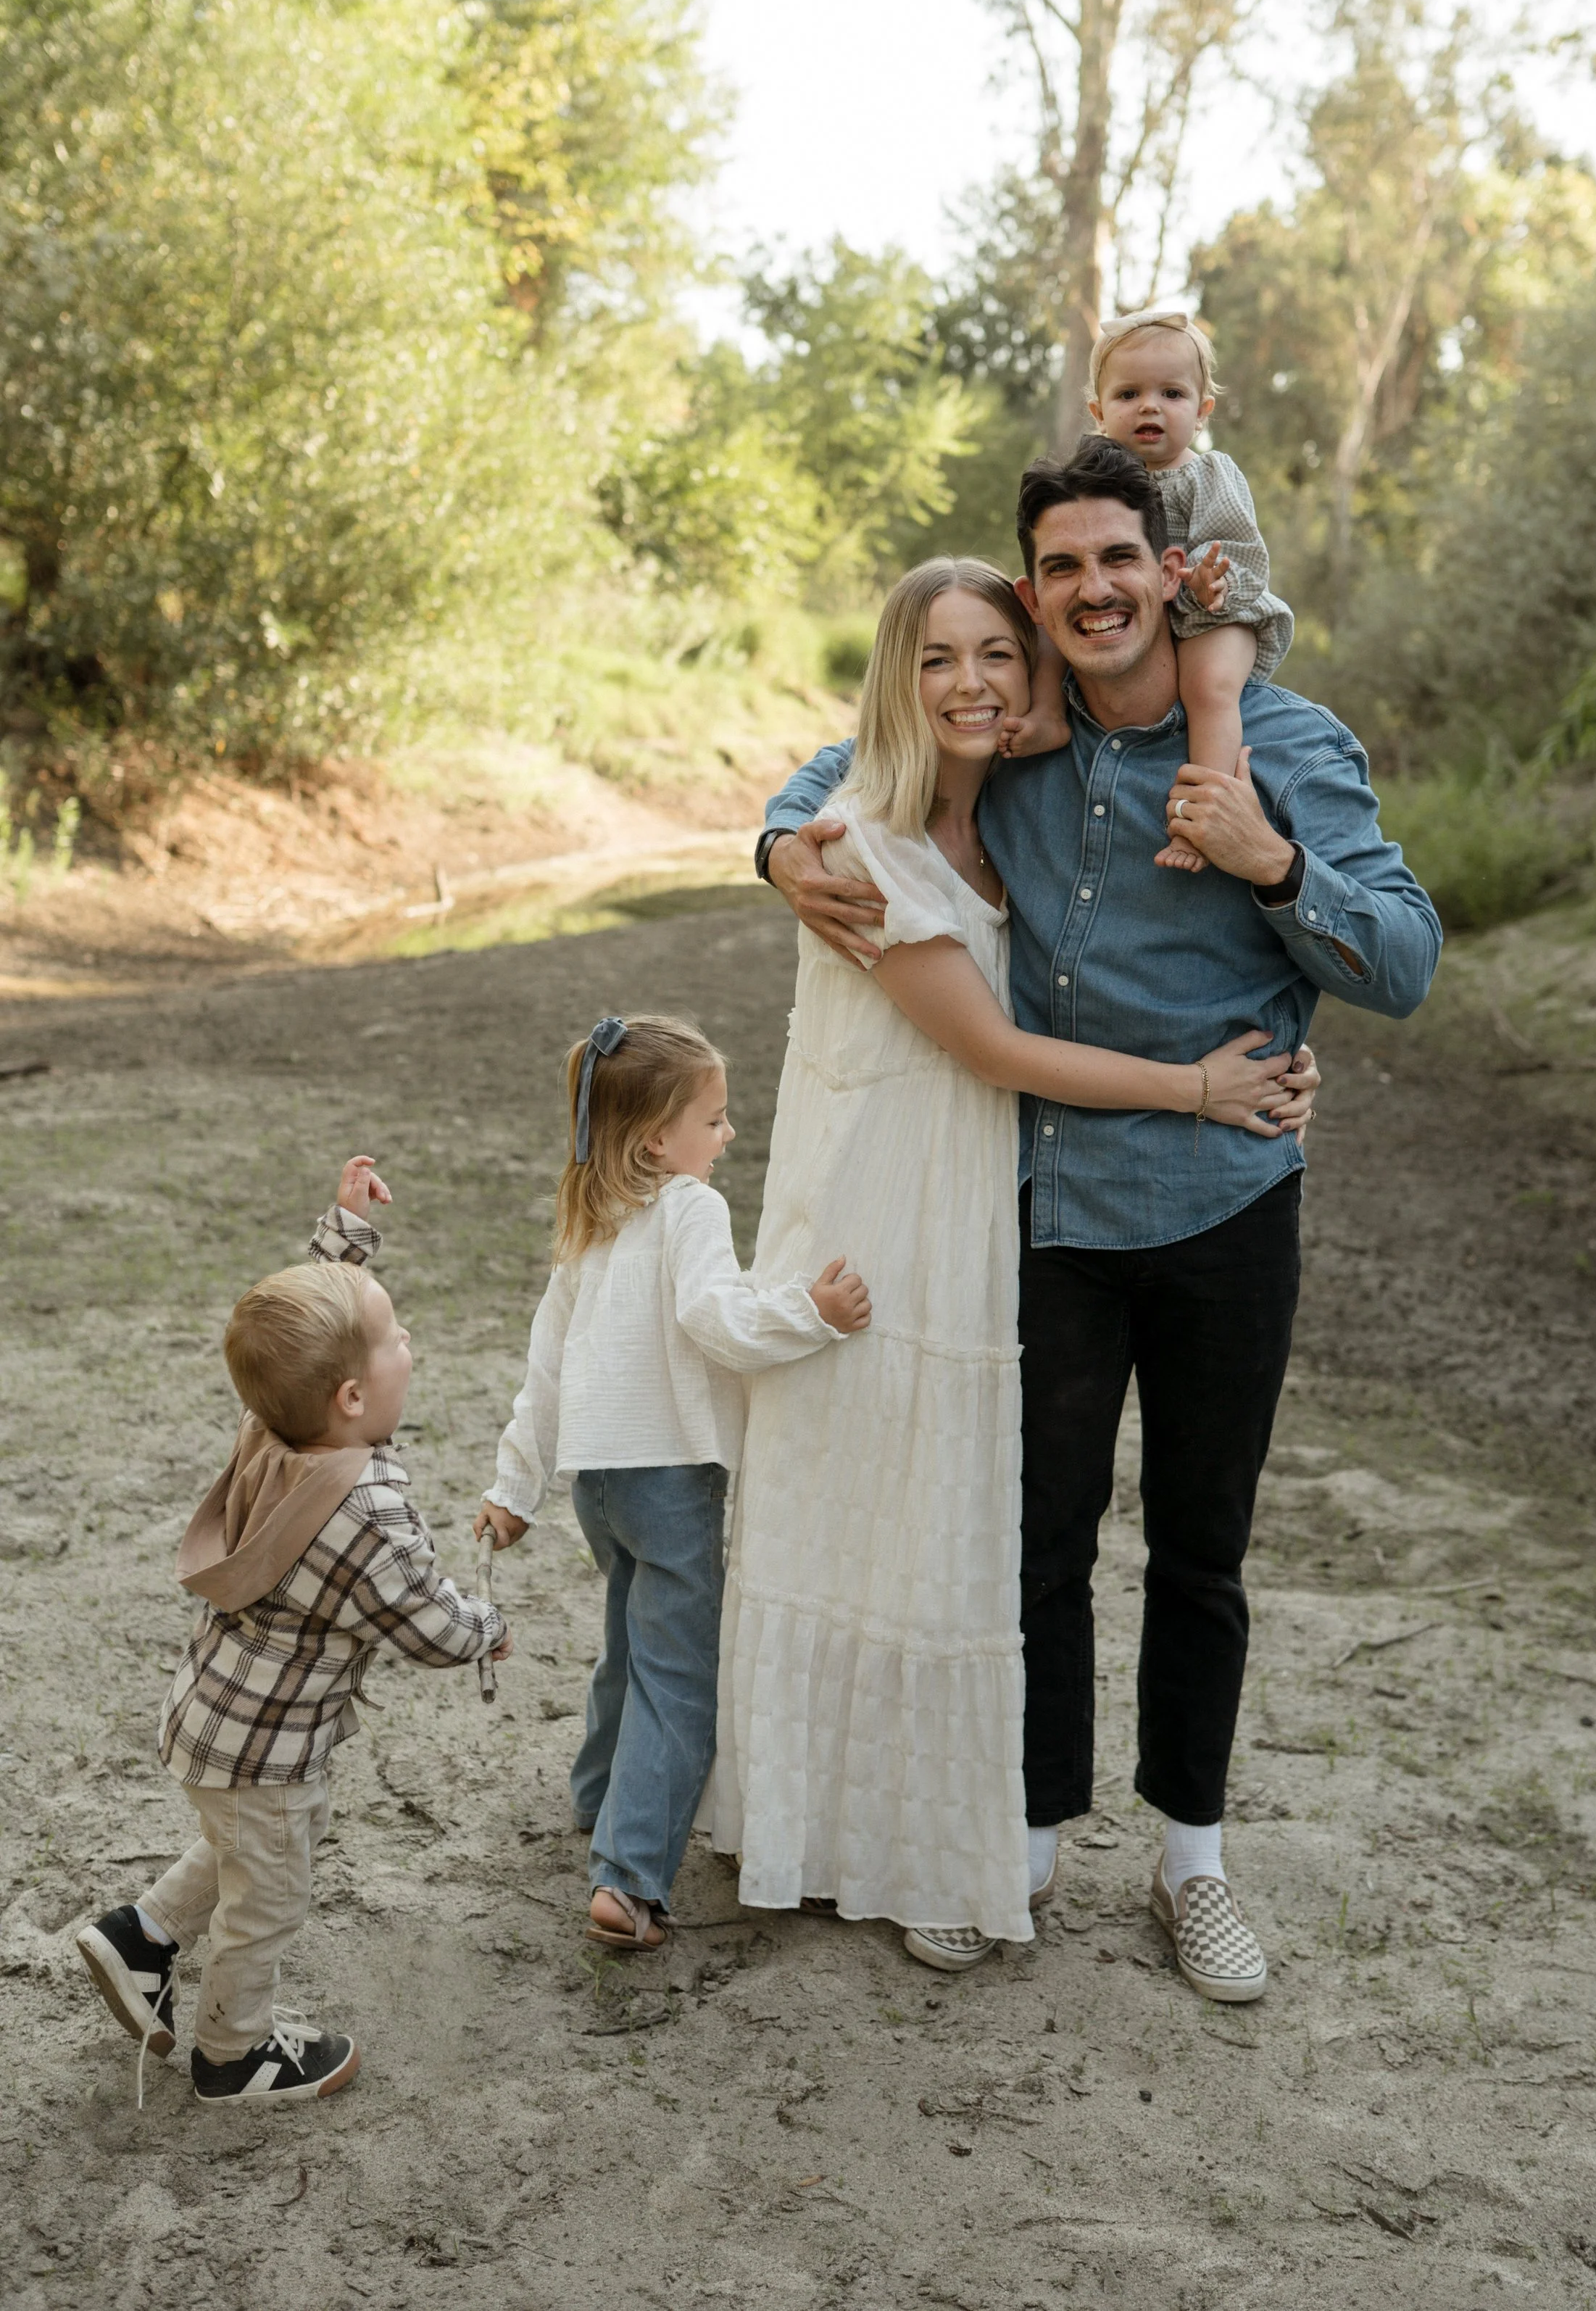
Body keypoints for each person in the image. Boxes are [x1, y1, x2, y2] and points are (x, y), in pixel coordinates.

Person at [760, 442, 1440, 2003]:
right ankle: (1025, 1835)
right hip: (1045, 1215)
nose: (1088, 592)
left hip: (1225, 1207)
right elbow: (832, 772)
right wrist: (776, 849)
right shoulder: (1023, 732)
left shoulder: (1283, 740)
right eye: (1056, 570)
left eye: (1113, 562)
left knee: (1200, 1550)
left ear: (1169, 571)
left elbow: (1399, 961)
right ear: (1032, 590)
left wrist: (1269, 857)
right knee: (1037, 1541)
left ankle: (1190, 1864)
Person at [74, 1157, 507, 2104]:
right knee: (267, 1892)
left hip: (216, 1718)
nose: (411, 1345)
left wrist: (344, 1234)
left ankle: (138, 1935)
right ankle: (232, 2053)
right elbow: (427, 1623)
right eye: (396, 1338)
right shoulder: (364, 1507)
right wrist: (486, 1627)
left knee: (248, 1845)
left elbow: (293, 1340)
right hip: (263, 1746)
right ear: (351, 1397)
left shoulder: (271, 1424)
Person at [475, 1015, 869, 1954]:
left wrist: (513, 1488)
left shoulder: (593, 1225)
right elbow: (715, 1320)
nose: (727, 1135)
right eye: (716, 1118)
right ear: (660, 1137)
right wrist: (812, 1315)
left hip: (597, 1486)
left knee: (628, 1631)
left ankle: (596, 1792)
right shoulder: (689, 1207)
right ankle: (629, 1872)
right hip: (671, 1473)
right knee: (680, 1675)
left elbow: (547, 1373)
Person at [1003, 306, 1293, 874]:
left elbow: (1239, 551)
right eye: (1129, 394)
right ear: (1097, 411)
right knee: (1043, 627)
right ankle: (1046, 715)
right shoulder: (1089, 480)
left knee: (1208, 689)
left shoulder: (1211, 475)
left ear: (1203, 410)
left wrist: (1211, 581)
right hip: (1143, 615)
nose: (1149, 407)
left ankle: (1201, 815)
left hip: (1214, 612)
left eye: (1172, 394)